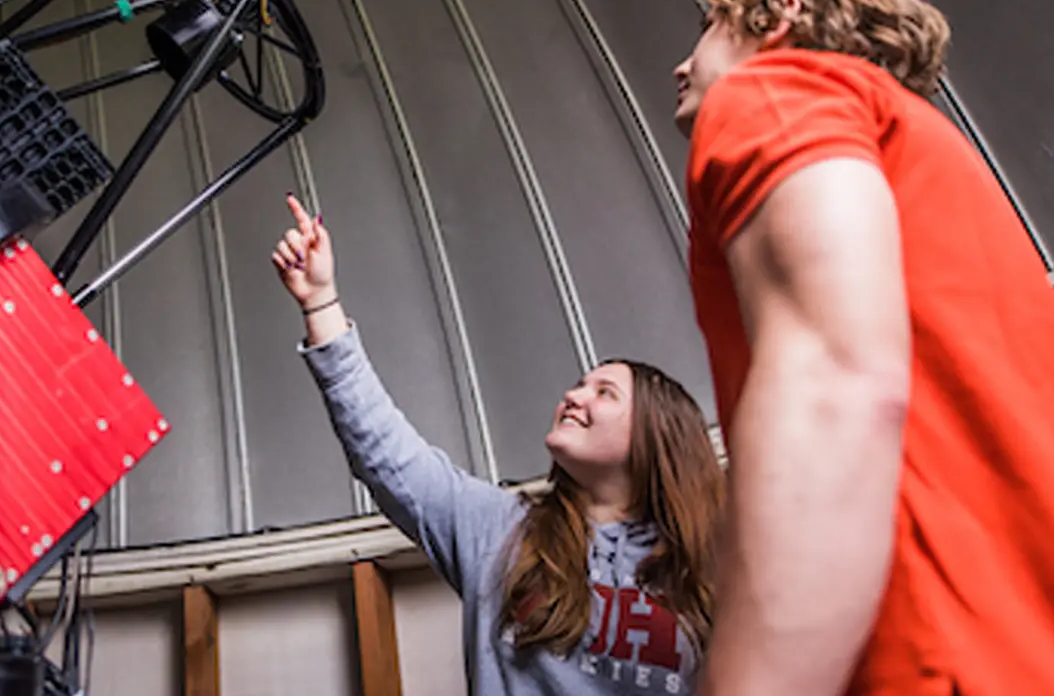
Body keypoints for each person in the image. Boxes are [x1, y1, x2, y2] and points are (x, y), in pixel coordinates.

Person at [673, 0, 1054, 696]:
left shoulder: (775, 92)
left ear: (783, 15)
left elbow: (836, 386)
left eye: (709, 28)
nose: (683, 66)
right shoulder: (929, 157)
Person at [270, 195, 724, 695]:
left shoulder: (711, 565)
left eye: (605, 392)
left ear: (658, 437)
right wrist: (320, 303)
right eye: (579, 384)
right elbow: (385, 452)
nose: (572, 396)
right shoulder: (499, 528)